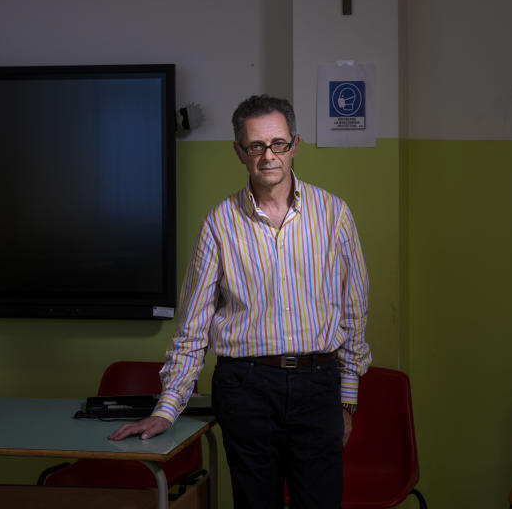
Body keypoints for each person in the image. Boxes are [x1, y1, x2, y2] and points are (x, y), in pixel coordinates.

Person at [110, 94, 371, 509]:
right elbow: (193, 326)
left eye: (278, 144)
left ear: (295, 144)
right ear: (239, 152)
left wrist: (347, 399)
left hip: (318, 386)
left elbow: (354, 311)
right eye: (256, 146)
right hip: (245, 389)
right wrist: (167, 407)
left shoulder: (334, 214)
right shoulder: (218, 224)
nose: (269, 156)